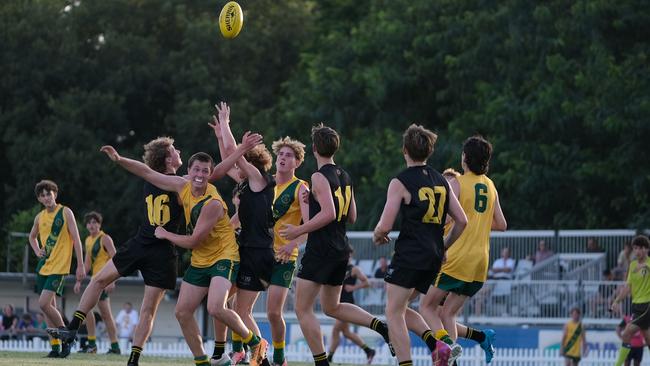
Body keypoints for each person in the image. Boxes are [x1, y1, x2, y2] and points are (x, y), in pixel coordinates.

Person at [105, 133, 268, 366]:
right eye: (196, 170)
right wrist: (119, 159)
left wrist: (164, 233)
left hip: (224, 255)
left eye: (205, 171)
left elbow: (193, 241)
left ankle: (255, 343)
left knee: (215, 307)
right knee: (182, 312)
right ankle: (202, 361)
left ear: (209, 175)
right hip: (201, 259)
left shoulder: (212, 204)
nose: (200, 175)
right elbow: (147, 172)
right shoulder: (181, 185)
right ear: (189, 172)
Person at [47, 137, 184, 366]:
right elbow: (145, 169)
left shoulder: (169, 180)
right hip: (151, 246)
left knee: (132, 300)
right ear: (167, 159)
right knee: (109, 287)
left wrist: (120, 159)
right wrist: (119, 159)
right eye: (174, 150)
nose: (179, 151)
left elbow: (143, 169)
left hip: (153, 247)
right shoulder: (173, 181)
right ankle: (77, 333)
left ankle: (123, 354)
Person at [280, 123, 392, 366]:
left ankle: (321, 362)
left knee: (302, 309)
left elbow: (329, 213)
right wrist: (314, 202)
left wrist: (298, 230)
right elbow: (351, 216)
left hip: (322, 249)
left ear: (313, 149)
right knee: (332, 307)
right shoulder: (345, 175)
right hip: (341, 248)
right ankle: (380, 325)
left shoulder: (318, 176)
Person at [373, 124, 468, 366]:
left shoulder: (400, 182)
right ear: (429, 151)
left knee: (393, 312)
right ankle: (437, 346)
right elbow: (462, 220)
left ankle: (406, 363)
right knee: (401, 307)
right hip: (433, 257)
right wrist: (444, 246)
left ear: (405, 150)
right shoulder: (441, 180)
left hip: (411, 255)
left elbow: (385, 226)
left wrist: (378, 235)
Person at [420, 135, 507, 365]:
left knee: (426, 307)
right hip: (480, 263)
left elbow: (445, 217)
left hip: (457, 258)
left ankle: (448, 345)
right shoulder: (490, 185)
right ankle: (453, 357)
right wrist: (479, 219)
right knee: (447, 314)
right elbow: (502, 224)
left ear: (465, 158)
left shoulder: (457, 183)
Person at [209, 102, 277, 366]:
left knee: (242, 310)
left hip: (259, 253)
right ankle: (242, 353)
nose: (237, 170)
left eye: (244, 164)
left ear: (251, 165)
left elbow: (236, 156)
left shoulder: (260, 179)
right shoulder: (246, 183)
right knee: (225, 305)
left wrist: (227, 125)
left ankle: (261, 356)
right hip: (246, 250)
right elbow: (229, 157)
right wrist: (222, 133)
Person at [265, 136, 310, 366]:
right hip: (260, 253)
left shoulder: (301, 188)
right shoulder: (266, 183)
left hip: (284, 256)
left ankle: (279, 357)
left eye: (289, 155)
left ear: (298, 162)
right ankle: (242, 351)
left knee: (273, 313)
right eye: (280, 154)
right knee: (233, 303)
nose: (283, 158)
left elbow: (309, 226)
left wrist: (293, 243)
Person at [29, 180, 85, 358]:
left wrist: (81, 265)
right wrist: (37, 250)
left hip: (59, 266)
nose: (46, 197)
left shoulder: (65, 212)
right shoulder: (39, 217)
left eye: (48, 193)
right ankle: (55, 347)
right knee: (48, 307)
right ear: (39, 198)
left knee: (43, 303)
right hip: (44, 265)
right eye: (42, 195)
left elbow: (76, 238)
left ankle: (66, 335)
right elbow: (32, 237)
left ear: (55, 194)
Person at [74, 211, 120, 354]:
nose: (91, 225)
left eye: (94, 222)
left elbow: (117, 259)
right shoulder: (88, 240)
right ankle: (103, 345)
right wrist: (79, 280)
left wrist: (113, 280)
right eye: (89, 223)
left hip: (104, 279)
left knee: (99, 312)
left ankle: (106, 346)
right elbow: (87, 264)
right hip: (95, 280)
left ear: (99, 224)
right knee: (91, 311)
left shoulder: (105, 238)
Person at [327, 255, 376, 364]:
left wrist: (354, 288)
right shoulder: (338, 267)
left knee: (336, 330)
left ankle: (329, 357)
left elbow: (367, 283)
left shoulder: (354, 269)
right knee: (346, 333)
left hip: (348, 304)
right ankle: (369, 351)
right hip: (338, 304)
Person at [611, 235, 650, 366]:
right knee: (648, 340)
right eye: (635, 248)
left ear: (646, 249)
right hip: (636, 306)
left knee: (626, 333)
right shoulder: (632, 265)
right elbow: (627, 288)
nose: (637, 251)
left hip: (647, 305)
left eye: (640, 248)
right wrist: (616, 301)